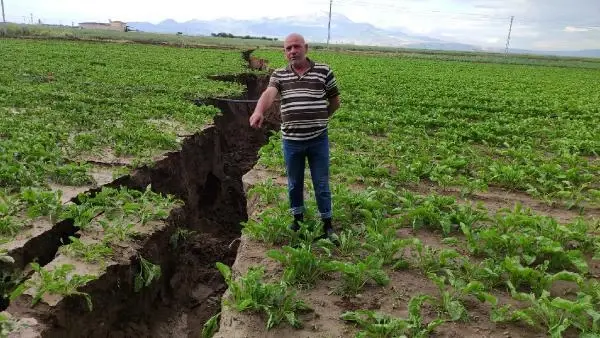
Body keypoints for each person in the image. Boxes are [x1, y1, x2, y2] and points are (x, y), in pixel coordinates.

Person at [249, 33, 341, 240]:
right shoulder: (279, 75)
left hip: (318, 139)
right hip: (291, 141)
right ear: (284, 52)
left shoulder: (323, 71)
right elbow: (269, 94)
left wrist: (321, 117)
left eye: (296, 47)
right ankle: (297, 221)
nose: (293, 51)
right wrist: (258, 111)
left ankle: (327, 225)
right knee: (294, 182)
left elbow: (335, 101)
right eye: (288, 48)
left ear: (306, 48)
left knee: (321, 183)